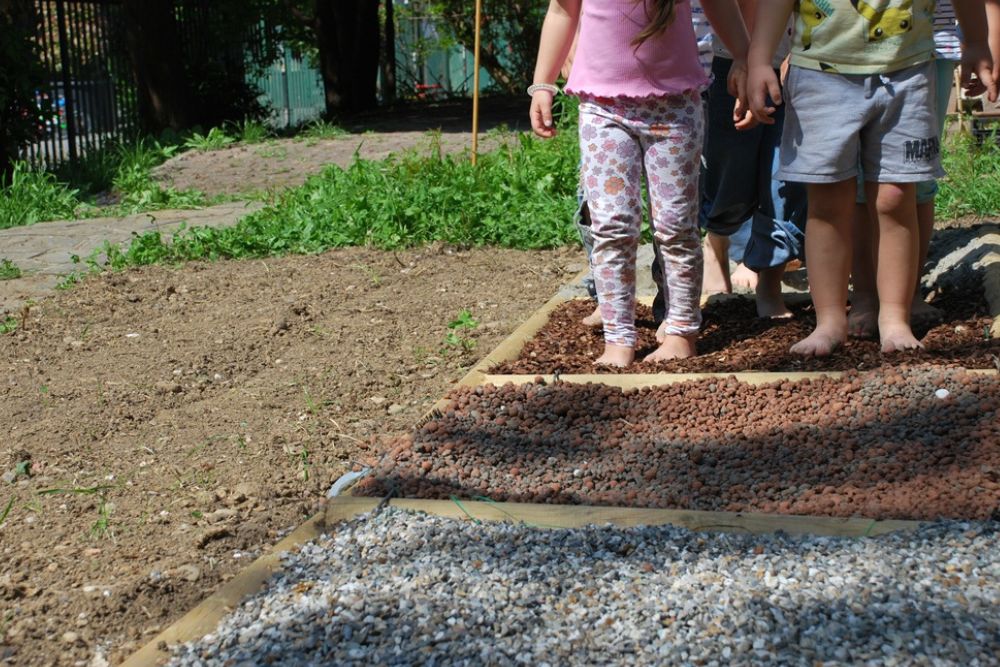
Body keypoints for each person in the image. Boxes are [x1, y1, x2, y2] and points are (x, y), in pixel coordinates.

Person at [746, 0, 997, 357]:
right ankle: (829, 321)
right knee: (828, 201)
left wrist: (976, 42)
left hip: (907, 72)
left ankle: (895, 318)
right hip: (820, 74)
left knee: (896, 197)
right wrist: (759, 59)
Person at [531, 0, 750, 366]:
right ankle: (618, 339)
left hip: (674, 107)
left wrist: (745, 57)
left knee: (676, 226)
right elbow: (562, 11)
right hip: (602, 109)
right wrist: (543, 83)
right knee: (611, 225)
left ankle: (681, 332)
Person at [847, 0, 964, 339]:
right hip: (845, 49)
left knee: (915, 180)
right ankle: (865, 294)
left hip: (930, 47)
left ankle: (908, 293)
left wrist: (981, 42)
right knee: (856, 183)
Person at [700, 3, 805, 319]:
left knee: (784, 179)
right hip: (727, 54)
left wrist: (800, 51)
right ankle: (718, 240)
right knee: (729, 173)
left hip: (796, 59)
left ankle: (769, 282)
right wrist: (742, 56)